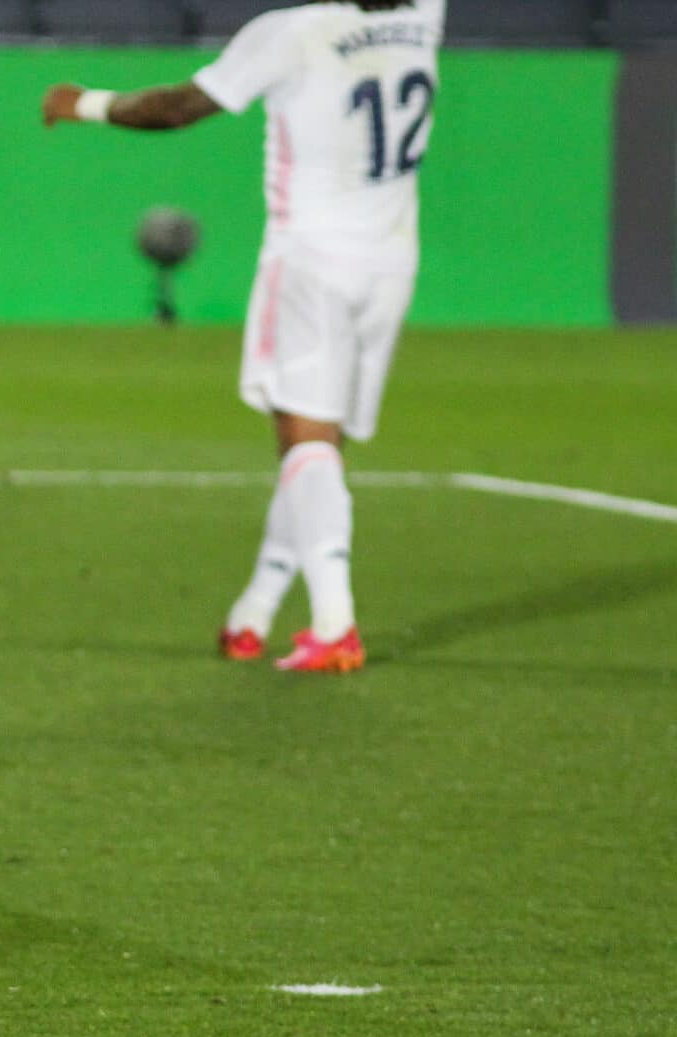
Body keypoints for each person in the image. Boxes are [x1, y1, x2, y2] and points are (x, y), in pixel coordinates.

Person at [43, 0, 445, 672]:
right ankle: (253, 613)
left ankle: (334, 624)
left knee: (305, 443)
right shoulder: (425, 14)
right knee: (314, 451)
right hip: (392, 260)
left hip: (313, 260)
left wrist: (85, 103)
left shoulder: (292, 32)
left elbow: (179, 107)